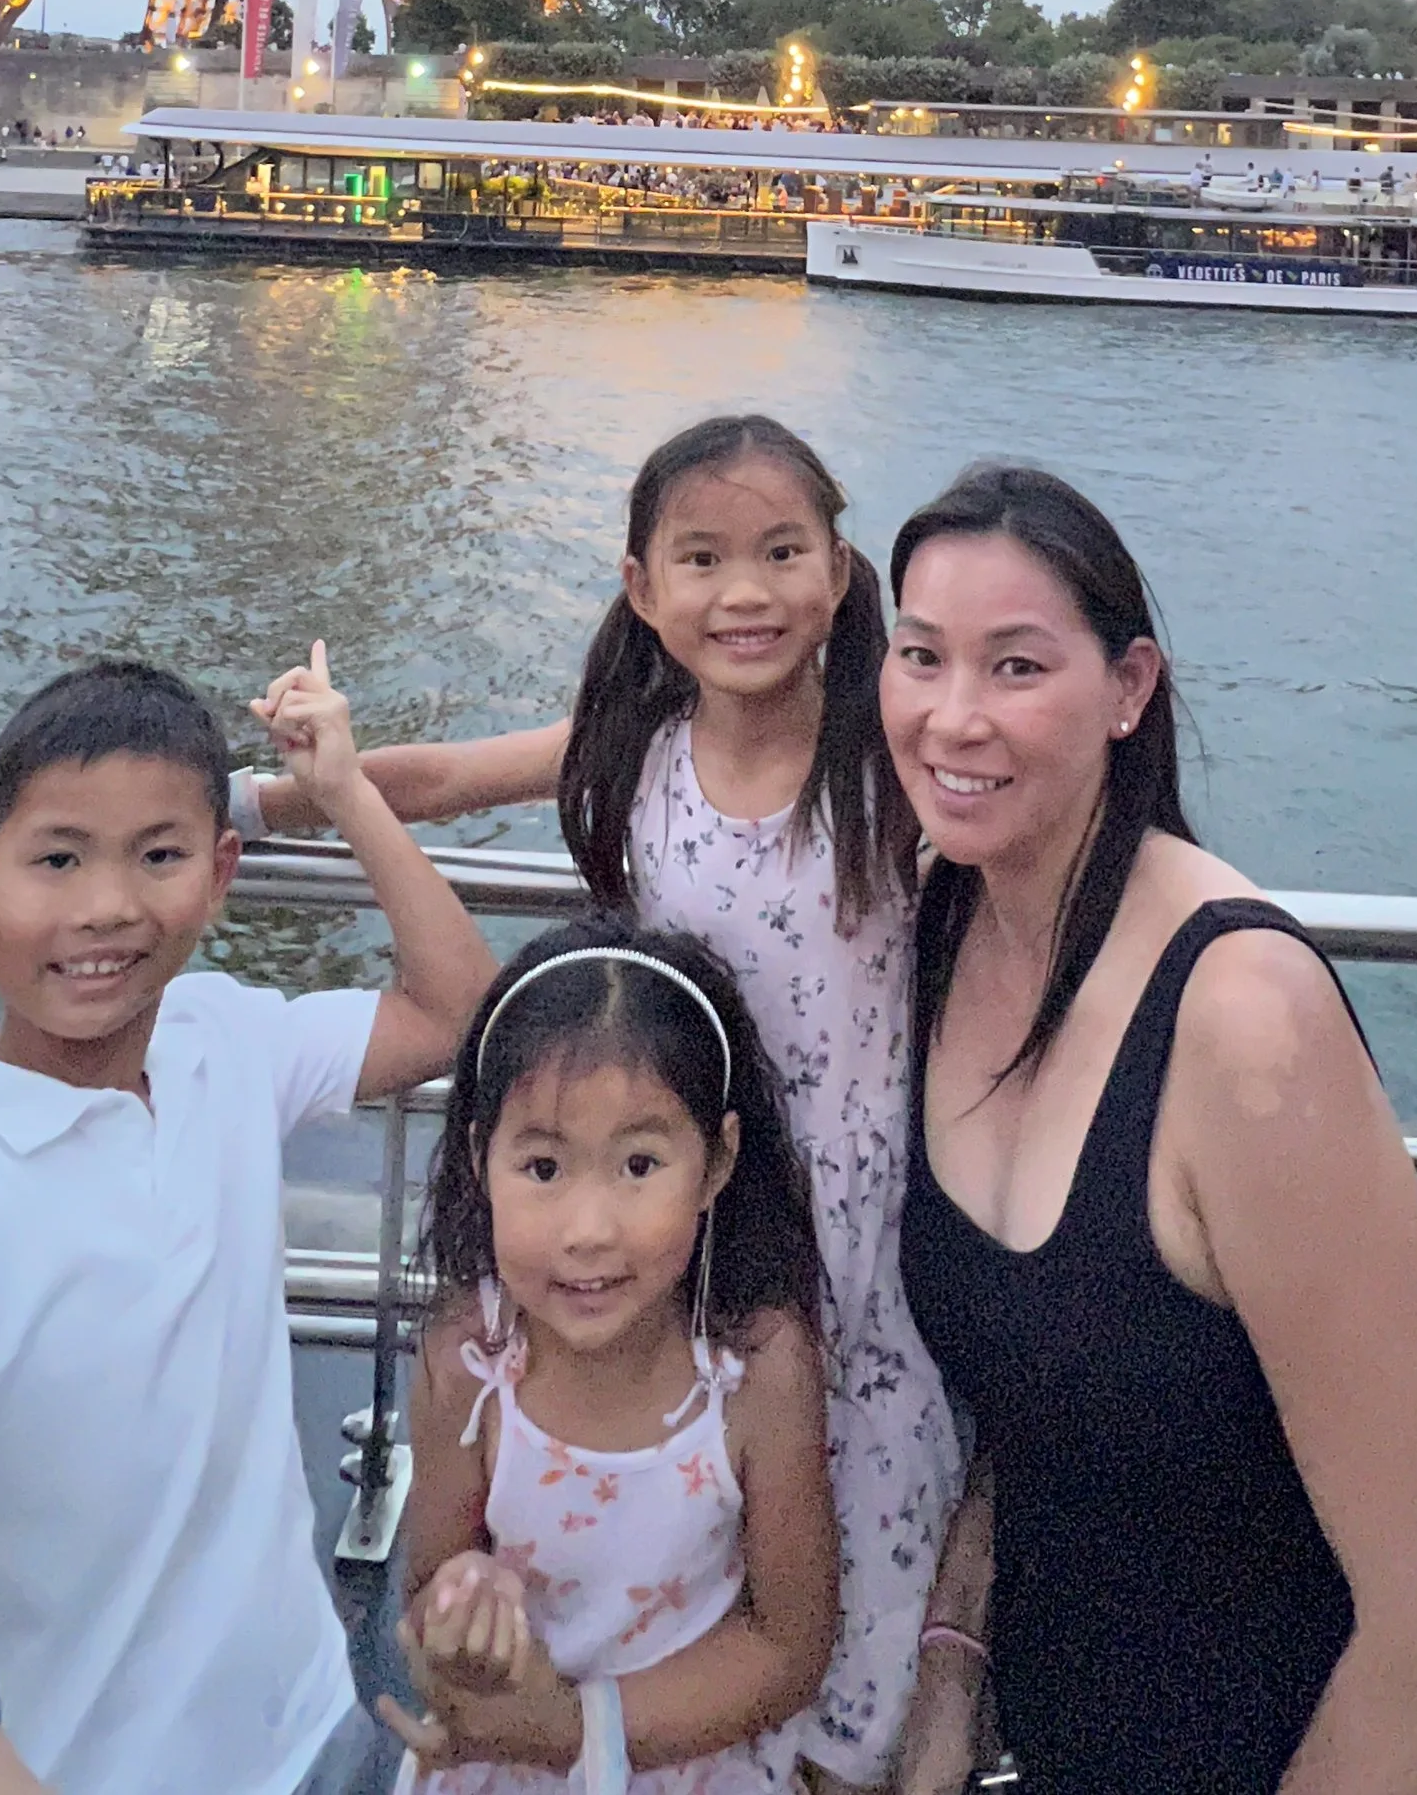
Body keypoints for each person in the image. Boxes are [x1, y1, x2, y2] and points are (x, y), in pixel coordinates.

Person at [885, 466, 1417, 1795]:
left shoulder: (1241, 1022)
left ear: (1129, 689)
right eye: (919, 655)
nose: (954, 715)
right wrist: (950, 1665)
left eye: (1015, 666)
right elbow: (1034, 1380)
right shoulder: (934, 933)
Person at [241, 417, 961, 1793]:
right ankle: (628, 1733)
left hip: (867, 1236)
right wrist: (269, 799)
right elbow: (445, 777)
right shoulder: (644, 751)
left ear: (839, 568)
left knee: (861, 1556)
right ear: (642, 588)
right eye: (701, 559)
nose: (742, 592)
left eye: (780, 553)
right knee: (664, 1524)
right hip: (672, 1200)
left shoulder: (891, 762)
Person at [0, 655, 496, 1795]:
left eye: (161, 855)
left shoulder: (219, 1040)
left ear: (221, 874)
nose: (109, 906)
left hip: (309, 1724)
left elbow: (454, 1007)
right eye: (58, 858)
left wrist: (342, 791)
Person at [383, 922, 838, 1790]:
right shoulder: (470, 1362)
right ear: (483, 1160)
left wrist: (576, 1727)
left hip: (678, 1763)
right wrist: (457, 1619)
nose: (589, 1231)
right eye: (544, 1167)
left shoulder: (757, 1370)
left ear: (717, 1163)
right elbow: (425, 1589)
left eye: (639, 1163)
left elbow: (788, 1646)